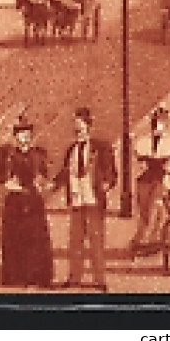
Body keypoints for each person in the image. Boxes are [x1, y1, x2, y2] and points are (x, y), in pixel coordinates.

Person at [54, 106, 118, 290]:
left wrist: (107, 184)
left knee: (96, 241)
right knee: (75, 241)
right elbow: (65, 172)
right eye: (75, 129)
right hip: (76, 200)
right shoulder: (71, 150)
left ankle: (100, 280)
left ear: (88, 127)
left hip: (93, 200)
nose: (78, 132)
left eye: (81, 128)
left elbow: (112, 172)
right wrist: (53, 184)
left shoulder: (100, 147)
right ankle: (74, 277)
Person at [0, 115, 54, 287]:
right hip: (15, 200)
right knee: (15, 238)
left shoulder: (38, 154)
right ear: (15, 136)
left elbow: (44, 173)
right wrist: (10, 183)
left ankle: (36, 276)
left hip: (34, 200)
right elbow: (0, 175)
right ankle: (16, 276)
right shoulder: (8, 155)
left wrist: (41, 183)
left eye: (27, 133)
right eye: (21, 133)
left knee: (36, 238)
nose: (24, 136)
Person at [131, 105, 170, 255]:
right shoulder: (143, 141)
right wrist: (144, 164)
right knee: (143, 209)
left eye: (161, 122)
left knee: (156, 208)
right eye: (155, 122)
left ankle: (152, 240)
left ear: (165, 124)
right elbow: (139, 160)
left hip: (161, 179)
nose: (157, 126)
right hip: (145, 179)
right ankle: (142, 237)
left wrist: (169, 169)